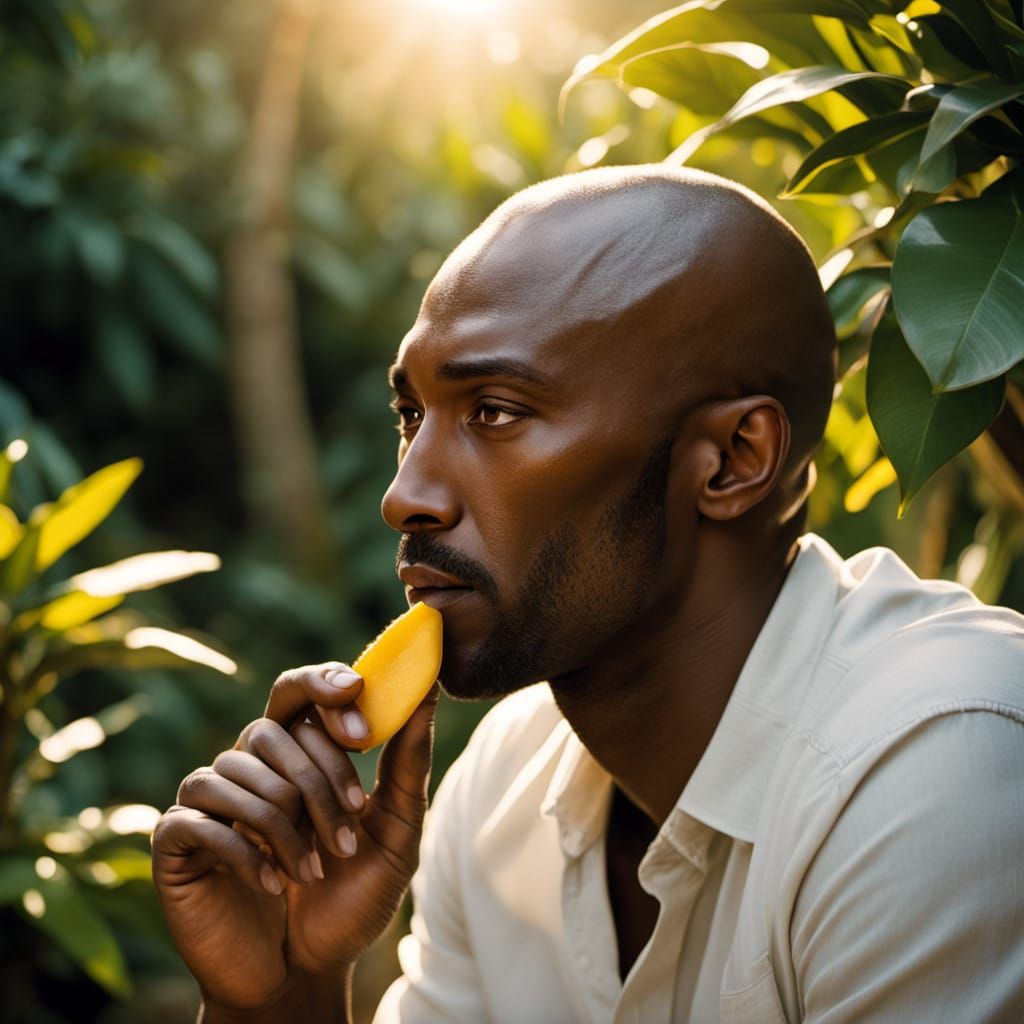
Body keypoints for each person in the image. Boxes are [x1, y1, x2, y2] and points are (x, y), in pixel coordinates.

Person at [152, 166, 1024, 1023]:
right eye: (411, 417)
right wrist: (284, 996)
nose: (404, 495)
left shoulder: (939, 769)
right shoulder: (496, 790)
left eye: (494, 411)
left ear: (732, 460)